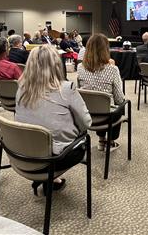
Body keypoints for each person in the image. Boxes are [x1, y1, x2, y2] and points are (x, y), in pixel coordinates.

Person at [15, 44, 92, 193]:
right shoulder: (66, 89)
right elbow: (86, 123)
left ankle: (51, 178)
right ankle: (50, 177)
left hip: (24, 153)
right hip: (56, 157)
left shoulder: (21, 88)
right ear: (57, 64)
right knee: (82, 139)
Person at [77, 33, 125, 151]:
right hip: (108, 117)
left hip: (87, 114)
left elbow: (81, 93)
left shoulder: (79, 67)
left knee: (97, 101)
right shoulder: (113, 69)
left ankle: (101, 139)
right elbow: (119, 98)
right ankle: (111, 141)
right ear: (105, 49)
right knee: (118, 105)